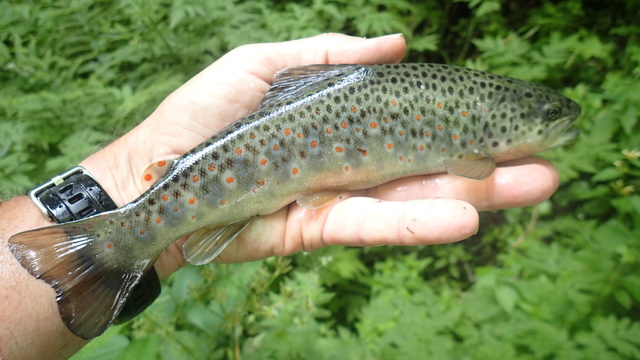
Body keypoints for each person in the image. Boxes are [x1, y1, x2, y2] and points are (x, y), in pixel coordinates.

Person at [0, 33, 560, 359]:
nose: (556, 122)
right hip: (244, 165)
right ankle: (116, 240)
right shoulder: (474, 148)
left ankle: (115, 236)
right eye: (546, 117)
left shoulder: (466, 121)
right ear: (494, 123)